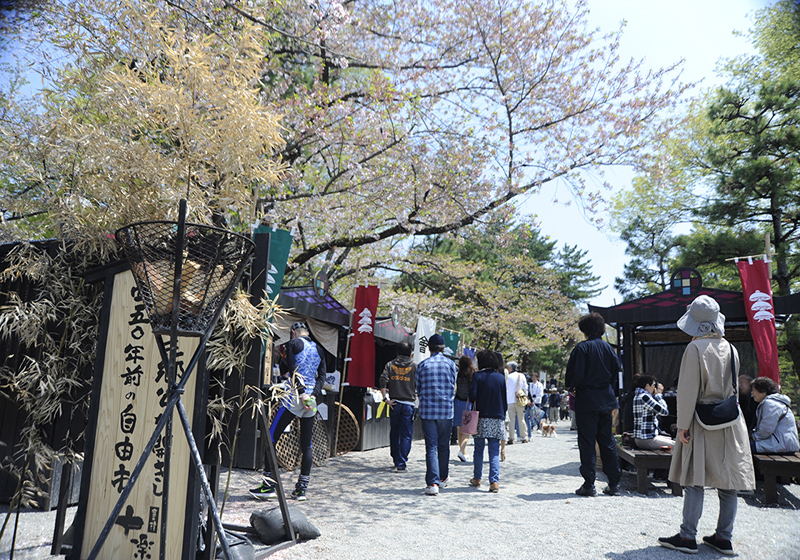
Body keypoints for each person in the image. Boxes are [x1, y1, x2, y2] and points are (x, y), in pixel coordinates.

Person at [659, 295, 755, 556]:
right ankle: (724, 538)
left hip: (701, 421)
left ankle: (687, 536)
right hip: (729, 421)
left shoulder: (694, 349)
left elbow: (688, 391)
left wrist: (682, 425)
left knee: (694, 479)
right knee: (727, 482)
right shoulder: (731, 348)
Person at [250, 322, 325, 502]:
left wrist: (300, 394)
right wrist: (311, 396)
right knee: (306, 444)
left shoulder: (293, 344)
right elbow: (321, 377)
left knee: (271, 436)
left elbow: (292, 371)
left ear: (293, 333)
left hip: (293, 397)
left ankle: (268, 485)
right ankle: (301, 490)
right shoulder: (320, 349)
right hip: (311, 399)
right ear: (308, 332)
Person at [565, 312, 621, 497]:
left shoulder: (582, 348)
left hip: (587, 399)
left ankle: (589, 484)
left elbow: (576, 373)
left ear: (585, 329)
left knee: (587, 441)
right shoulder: (609, 349)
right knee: (607, 440)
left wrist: (573, 386)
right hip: (606, 398)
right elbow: (615, 374)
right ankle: (614, 483)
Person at [415, 333, 458, 496]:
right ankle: (443, 477)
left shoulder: (422, 365)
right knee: (444, 445)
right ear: (443, 348)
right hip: (446, 410)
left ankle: (432, 482)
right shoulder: (451, 365)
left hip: (427, 410)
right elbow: (452, 386)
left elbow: (418, 388)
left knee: (431, 447)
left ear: (429, 348)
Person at [469, 349, 507, 493]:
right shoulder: (500, 377)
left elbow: (472, 396)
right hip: (497, 416)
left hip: (480, 417)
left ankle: (477, 478)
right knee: (494, 450)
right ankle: (494, 482)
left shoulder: (477, 376)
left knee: (478, 449)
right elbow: (504, 398)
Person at [379, 341, 417, 472]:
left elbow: (382, 380)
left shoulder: (390, 364)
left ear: (397, 352)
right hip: (408, 404)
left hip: (394, 403)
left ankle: (396, 458)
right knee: (406, 435)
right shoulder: (415, 366)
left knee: (395, 432)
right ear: (410, 352)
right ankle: (401, 462)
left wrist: (385, 399)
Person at [749, 376, 799, 454]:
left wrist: (752, 436)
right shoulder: (773, 402)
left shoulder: (771, 404)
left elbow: (765, 430)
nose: (752, 393)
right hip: (781, 443)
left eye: (754, 390)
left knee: (741, 448)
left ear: (763, 391)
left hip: (782, 445)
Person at [632, 374, 674, 450]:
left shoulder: (637, 396)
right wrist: (659, 395)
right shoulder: (645, 397)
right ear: (647, 386)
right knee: (677, 445)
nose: (655, 388)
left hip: (641, 439)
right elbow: (664, 412)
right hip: (647, 440)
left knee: (670, 439)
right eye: (654, 385)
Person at [454, 355, 476, 462]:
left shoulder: (458, 373)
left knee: (459, 429)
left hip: (457, 402)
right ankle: (462, 450)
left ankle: (463, 452)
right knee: (467, 430)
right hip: (468, 404)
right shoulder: (472, 373)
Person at [505, 361, 528, 444]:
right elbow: (525, 388)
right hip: (520, 400)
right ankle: (524, 437)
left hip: (509, 400)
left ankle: (511, 437)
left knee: (511, 420)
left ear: (511, 368)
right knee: (521, 419)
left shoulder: (508, 377)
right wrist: (526, 397)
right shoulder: (521, 376)